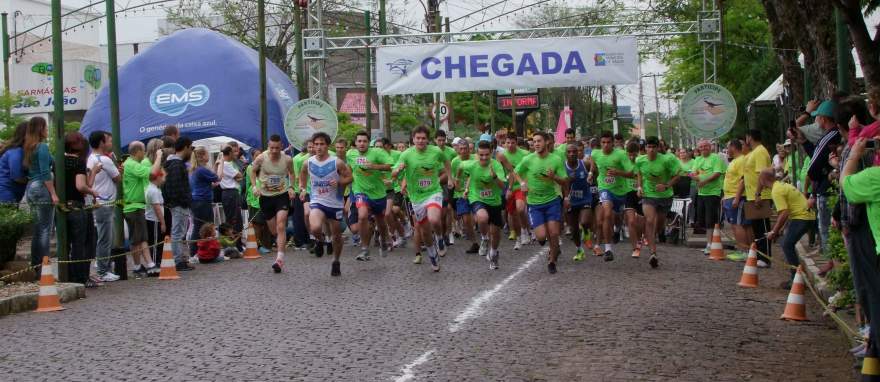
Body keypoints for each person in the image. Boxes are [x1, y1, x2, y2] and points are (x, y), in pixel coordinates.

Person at [392, 126, 452, 272]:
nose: (420, 141)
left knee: (434, 219)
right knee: (424, 231)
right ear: (413, 139)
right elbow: (393, 172)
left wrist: (450, 177)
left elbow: (447, 163)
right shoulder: (406, 154)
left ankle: (439, 237)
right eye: (417, 138)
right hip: (416, 196)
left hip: (433, 191)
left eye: (423, 138)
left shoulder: (436, 151)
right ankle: (432, 255)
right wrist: (398, 170)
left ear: (428, 140)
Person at [513, 131, 569, 274]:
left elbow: (565, 181)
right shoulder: (528, 159)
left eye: (539, 141)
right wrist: (522, 183)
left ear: (546, 142)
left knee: (554, 232)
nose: (536, 144)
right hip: (534, 203)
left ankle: (552, 260)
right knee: (542, 236)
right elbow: (515, 172)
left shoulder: (556, 159)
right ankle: (551, 246)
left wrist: (554, 177)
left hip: (552, 200)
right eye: (534, 141)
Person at [299, 132, 352, 276]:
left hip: (335, 203)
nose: (319, 147)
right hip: (317, 201)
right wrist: (303, 189)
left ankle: (336, 261)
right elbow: (302, 175)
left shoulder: (337, 162)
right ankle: (320, 240)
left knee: (336, 236)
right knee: (315, 227)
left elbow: (349, 177)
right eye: (316, 144)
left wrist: (340, 182)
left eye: (322, 144)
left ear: (327, 146)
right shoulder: (308, 162)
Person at [795, 100, 841, 257]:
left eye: (817, 117)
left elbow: (814, 165)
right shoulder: (830, 135)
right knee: (826, 229)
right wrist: (804, 142)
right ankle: (829, 258)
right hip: (824, 186)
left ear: (823, 118)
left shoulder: (830, 135)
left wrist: (813, 178)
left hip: (826, 187)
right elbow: (816, 154)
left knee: (827, 229)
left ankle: (830, 261)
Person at [760, 169, 815, 289]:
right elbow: (789, 210)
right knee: (788, 244)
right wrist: (780, 228)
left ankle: (797, 280)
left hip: (802, 218)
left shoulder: (776, 190)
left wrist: (774, 231)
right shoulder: (781, 185)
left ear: (763, 180)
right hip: (805, 216)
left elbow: (784, 213)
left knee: (787, 245)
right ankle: (797, 277)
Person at [250, 134, 295, 273]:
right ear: (268, 147)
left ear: (281, 146)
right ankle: (280, 241)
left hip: (281, 195)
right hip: (266, 197)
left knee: (281, 225)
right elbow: (252, 171)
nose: (274, 151)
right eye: (271, 148)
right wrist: (254, 186)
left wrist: (291, 187)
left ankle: (279, 259)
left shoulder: (287, 159)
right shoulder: (261, 158)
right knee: (274, 230)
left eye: (277, 148)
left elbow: (292, 173)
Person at [346, 131, 393, 261]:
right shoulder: (350, 154)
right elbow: (349, 169)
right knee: (362, 216)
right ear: (355, 143)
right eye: (359, 141)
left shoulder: (377, 152)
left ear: (369, 143)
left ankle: (383, 241)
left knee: (381, 222)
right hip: (360, 191)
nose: (361, 143)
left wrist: (374, 166)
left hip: (378, 193)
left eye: (364, 141)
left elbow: (390, 166)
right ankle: (365, 249)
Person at [635, 136, 680, 268]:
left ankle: (649, 238)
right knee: (650, 220)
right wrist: (639, 187)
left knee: (659, 226)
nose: (651, 150)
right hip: (649, 195)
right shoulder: (640, 160)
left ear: (658, 148)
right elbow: (639, 174)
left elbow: (678, 176)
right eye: (649, 147)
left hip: (665, 196)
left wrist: (666, 185)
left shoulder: (667, 159)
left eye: (654, 147)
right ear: (645, 148)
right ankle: (653, 253)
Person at [590, 131, 636, 261]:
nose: (606, 145)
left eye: (608, 142)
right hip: (605, 188)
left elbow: (631, 173)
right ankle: (608, 249)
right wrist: (590, 173)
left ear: (613, 143)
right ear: (600, 143)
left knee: (617, 217)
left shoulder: (621, 154)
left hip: (621, 190)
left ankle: (617, 228)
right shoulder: (595, 153)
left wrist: (618, 172)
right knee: (607, 214)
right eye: (603, 142)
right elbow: (593, 165)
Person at [461, 140, 507, 269]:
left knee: (496, 233)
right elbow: (463, 171)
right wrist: (462, 185)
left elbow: (503, 186)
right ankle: (484, 238)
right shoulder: (470, 165)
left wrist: (494, 178)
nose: (484, 157)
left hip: (495, 201)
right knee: (482, 217)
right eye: (481, 155)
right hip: (477, 198)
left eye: (486, 155)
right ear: (477, 154)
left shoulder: (496, 165)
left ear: (491, 153)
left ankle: (493, 253)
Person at [63, 132, 100, 286]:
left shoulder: (58, 161)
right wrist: (93, 192)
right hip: (77, 207)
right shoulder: (78, 162)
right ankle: (80, 277)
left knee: (67, 243)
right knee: (82, 243)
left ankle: (69, 274)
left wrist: (92, 172)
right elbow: (82, 186)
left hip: (63, 207)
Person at [123, 141, 163, 276]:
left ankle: (145, 265)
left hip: (137, 205)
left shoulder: (131, 164)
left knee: (142, 238)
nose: (145, 153)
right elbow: (153, 172)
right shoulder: (132, 165)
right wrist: (158, 156)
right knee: (137, 239)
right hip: (134, 206)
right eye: (143, 150)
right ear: (138, 151)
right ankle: (140, 266)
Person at [22, 117, 58, 269]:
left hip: (31, 187)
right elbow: (45, 172)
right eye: (45, 127)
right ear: (40, 128)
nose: (47, 130)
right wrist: (53, 193)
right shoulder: (42, 147)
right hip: (42, 187)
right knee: (45, 230)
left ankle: (36, 265)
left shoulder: (29, 146)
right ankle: (44, 267)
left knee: (38, 229)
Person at [86, 131, 122, 282]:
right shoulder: (104, 160)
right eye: (109, 140)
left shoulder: (91, 158)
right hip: (105, 202)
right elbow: (118, 178)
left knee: (103, 235)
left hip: (98, 200)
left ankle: (103, 268)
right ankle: (102, 270)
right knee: (105, 237)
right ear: (101, 143)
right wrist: (120, 171)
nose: (111, 143)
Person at [741, 129, 773, 266]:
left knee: (763, 227)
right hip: (751, 195)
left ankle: (765, 257)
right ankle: (760, 255)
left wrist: (758, 193)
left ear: (749, 137)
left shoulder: (760, 151)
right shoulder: (753, 152)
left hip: (760, 195)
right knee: (756, 227)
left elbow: (762, 174)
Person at [162, 136, 194, 269]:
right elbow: (174, 187)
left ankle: (179, 258)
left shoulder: (172, 163)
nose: (191, 151)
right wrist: (183, 201)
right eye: (191, 148)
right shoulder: (176, 164)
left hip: (177, 203)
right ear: (186, 147)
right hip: (179, 204)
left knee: (179, 232)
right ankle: (177, 260)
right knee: (178, 232)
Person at [497, 134, 531, 250]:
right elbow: (506, 172)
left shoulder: (525, 154)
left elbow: (528, 170)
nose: (510, 145)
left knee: (520, 208)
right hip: (508, 186)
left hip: (521, 186)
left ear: (517, 143)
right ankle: (518, 238)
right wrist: (506, 187)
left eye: (512, 142)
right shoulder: (501, 156)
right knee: (512, 214)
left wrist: (524, 183)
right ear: (505, 143)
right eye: (508, 143)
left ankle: (525, 230)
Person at [691, 139, 725, 256]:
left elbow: (717, 173)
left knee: (710, 219)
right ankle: (710, 242)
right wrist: (694, 177)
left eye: (706, 146)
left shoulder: (715, 158)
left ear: (710, 147)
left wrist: (704, 181)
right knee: (701, 219)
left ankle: (710, 244)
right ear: (698, 149)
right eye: (701, 147)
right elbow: (693, 173)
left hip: (713, 192)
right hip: (701, 192)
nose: (704, 148)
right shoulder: (698, 159)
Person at [188, 147, 218, 268]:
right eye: (207, 154)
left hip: (198, 201)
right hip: (202, 202)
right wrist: (219, 163)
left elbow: (212, 182)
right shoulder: (201, 170)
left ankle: (201, 251)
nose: (209, 156)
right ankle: (195, 253)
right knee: (204, 227)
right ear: (202, 156)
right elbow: (217, 177)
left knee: (200, 226)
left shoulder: (196, 170)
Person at [721, 139, 752, 255]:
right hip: (730, 195)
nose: (726, 150)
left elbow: (743, 180)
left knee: (737, 224)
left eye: (728, 147)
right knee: (735, 224)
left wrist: (737, 197)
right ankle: (744, 250)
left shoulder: (741, 160)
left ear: (733, 147)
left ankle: (744, 251)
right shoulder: (735, 161)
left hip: (736, 196)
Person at [565, 141, 593, 262]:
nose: (572, 154)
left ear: (578, 153)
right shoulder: (562, 167)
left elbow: (593, 165)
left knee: (585, 221)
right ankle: (579, 250)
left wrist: (591, 175)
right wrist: (568, 182)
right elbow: (560, 183)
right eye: (569, 152)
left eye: (574, 152)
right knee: (573, 230)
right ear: (566, 154)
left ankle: (586, 231)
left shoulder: (584, 163)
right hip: (571, 201)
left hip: (585, 198)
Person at [451, 140, 479, 254]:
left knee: (479, 219)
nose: (463, 151)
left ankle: (485, 238)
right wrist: (457, 186)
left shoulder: (475, 159)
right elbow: (454, 179)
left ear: (469, 149)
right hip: (460, 194)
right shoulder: (455, 162)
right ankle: (474, 243)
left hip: (476, 192)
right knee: (467, 220)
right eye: (460, 149)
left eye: (465, 149)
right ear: (457, 149)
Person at [217, 145, 244, 250]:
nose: (236, 154)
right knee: (234, 220)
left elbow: (239, 176)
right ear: (228, 153)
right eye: (234, 152)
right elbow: (239, 175)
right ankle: (235, 246)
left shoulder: (224, 164)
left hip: (229, 193)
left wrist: (239, 176)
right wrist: (239, 176)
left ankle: (235, 245)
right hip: (230, 193)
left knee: (234, 219)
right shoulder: (227, 164)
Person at [435, 130, 456, 250]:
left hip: (447, 184)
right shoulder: (431, 151)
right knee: (439, 214)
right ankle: (441, 235)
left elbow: (454, 167)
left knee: (447, 210)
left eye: (443, 140)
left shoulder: (451, 152)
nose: (441, 143)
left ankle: (448, 233)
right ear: (435, 140)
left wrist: (450, 178)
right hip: (434, 185)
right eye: (439, 140)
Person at [145, 168, 166, 276]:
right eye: (162, 176)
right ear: (157, 177)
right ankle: (154, 265)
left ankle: (157, 262)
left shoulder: (155, 189)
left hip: (155, 219)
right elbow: (157, 208)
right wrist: (162, 222)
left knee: (157, 242)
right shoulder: (153, 190)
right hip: (154, 220)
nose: (163, 179)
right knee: (155, 243)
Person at [0, 122, 28, 203]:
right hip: (6, 194)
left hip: (9, 193)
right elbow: (17, 176)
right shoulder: (16, 151)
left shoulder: (18, 150)